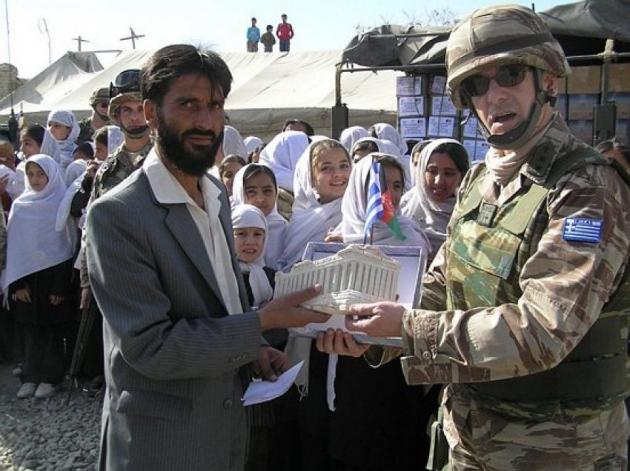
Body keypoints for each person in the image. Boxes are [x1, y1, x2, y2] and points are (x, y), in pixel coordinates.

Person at [319, 5, 630, 470]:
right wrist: (370, 329)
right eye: (476, 85)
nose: (494, 94)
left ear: (547, 80)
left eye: (510, 74)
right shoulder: (479, 181)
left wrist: (407, 329)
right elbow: (440, 284)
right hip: (467, 439)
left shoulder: (586, 187)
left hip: (559, 451)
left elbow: (544, 329)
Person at [86, 44, 328, 471]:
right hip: (162, 445)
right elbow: (151, 347)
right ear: (151, 112)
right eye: (188, 104)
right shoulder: (117, 215)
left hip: (225, 428)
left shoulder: (215, 194)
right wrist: (262, 323)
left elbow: (221, 302)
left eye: (214, 106)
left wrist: (253, 349)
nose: (204, 121)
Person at [70, 68, 153, 397]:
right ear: (116, 115)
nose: (134, 117)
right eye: (125, 110)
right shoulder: (107, 170)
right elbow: (92, 227)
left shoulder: (168, 163)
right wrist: (86, 279)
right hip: (115, 274)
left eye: (139, 108)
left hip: (158, 272)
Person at [4, 155, 75, 399]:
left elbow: (64, 248)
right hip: (27, 280)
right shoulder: (20, 206)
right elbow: (15, 247)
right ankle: (30, 376)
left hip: (51, 280)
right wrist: (18, 284)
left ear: (51, 175)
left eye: (40, 174)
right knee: (30, 332)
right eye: (31, 174)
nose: (35, 180)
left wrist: (59, 288)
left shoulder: (59, 205)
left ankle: (51, 378)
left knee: (52, 333)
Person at [277, 138, 351, 271]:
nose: (338, 174)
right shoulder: (299, 222)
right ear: (310, 176)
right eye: (326, 168)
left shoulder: (358, 214)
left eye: (344, 166)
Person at [400, 138, 469, 259]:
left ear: (462, 176)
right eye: (432, 171)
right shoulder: (406, 205)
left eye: (448, 173)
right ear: (422, 171)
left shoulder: (469, 210)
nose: (439, 181)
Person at [232, 163, 287, 270]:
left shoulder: (286, 230)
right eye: (251, 192)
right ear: (239, 193)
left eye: (267, 191)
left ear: (276, 192)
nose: (260, 199)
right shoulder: (228, 228)